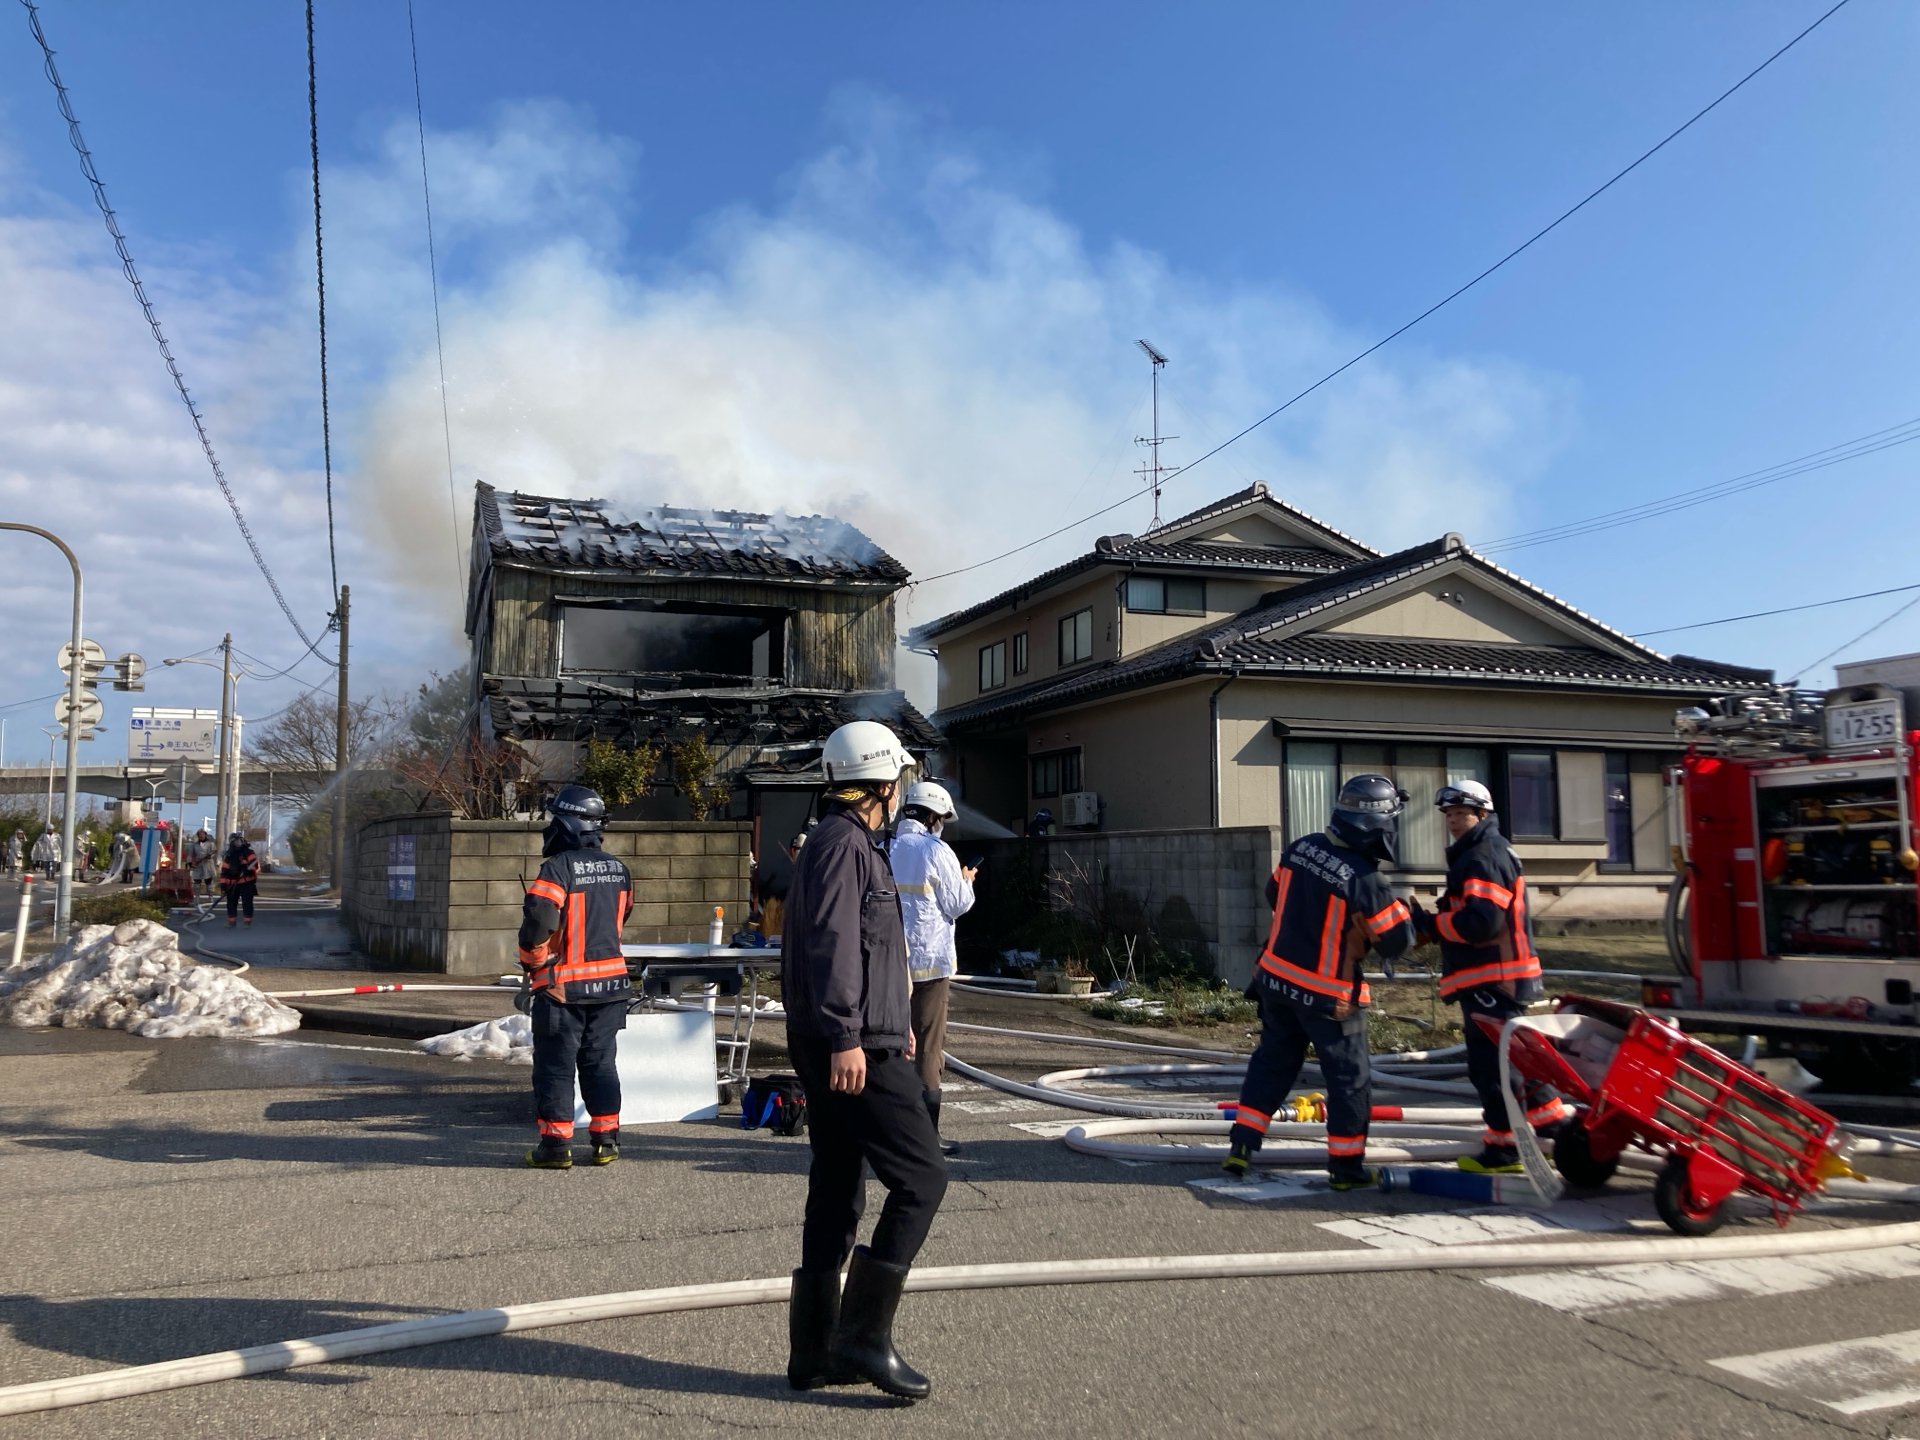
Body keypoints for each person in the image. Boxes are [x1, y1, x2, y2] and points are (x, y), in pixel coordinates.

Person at [783, 720, 946, 1401]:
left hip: (864, 1038)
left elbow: (874, 949)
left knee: (840, 1185)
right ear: (882, 781)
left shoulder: (850, 842)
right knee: (923, 1179)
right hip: (852, 1049)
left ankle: (816, 1353)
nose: (902, 785)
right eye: (899, 776)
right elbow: (832, 944)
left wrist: (896, 1023)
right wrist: (851, 1035)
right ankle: (861, 1339)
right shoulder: (842, 845)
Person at [1223, 774, 1420, 1190]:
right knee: (1349, 1079)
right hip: (1330, 997)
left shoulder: (1302, 848)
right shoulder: (1367, 880)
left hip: (1275, 982)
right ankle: (1346, 1170)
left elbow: (1274, 894)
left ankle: (1241, 1146)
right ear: (1377, 825)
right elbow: (1395, 940)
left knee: (1272, 1064)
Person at [1426, 780, 1571, 1174]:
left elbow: (1482, 923)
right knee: (1517, 1058)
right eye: (1450, 815)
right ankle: (1552, 1123)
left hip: (1493, 979)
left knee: (1492, 1067)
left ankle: (1505, 1150)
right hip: (1503, 978)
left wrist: (1434, 924)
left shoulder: (1481, 857)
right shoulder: (1483, 851)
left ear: (1482, 815)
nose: (1454, 822)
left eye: (1462, 814)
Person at [518, 784, 633, 1170]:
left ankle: (555, 1148)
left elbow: (539, 920)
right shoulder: (620, 869)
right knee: (601, 1064)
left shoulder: (557, 869)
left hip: (562, 990)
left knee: (556, 1068)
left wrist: (532, 960)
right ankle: (606, 1141)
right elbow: (623, 915)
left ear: (566, 822)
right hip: (611, 988)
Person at [890, 780, 975, 1158]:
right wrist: (967, 881)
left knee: (891, 1044)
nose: (942, 824)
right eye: (941, 818)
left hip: (890, 963)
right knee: (928, 1047)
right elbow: (956, 905)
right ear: (932, 816)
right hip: (930, 965)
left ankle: (889, 1130)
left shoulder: (885, 847)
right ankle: (926, 1139)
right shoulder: (936, 850)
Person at [219, 831, 260, 927]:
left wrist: (248, 870)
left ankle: (247, 922)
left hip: (246, 883)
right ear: (232, 842)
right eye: (236, 841)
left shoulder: (248, 852)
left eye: (239, 840)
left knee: (247, 902)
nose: (238, 843)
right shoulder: (229, 855)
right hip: (233, 884)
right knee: (231, 903)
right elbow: (224, 871)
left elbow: (255, 866)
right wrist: (223, 884)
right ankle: (231, 922)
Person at [189, 829, 219, 902]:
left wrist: (210, 856)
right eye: (200, 835)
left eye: (203, 834)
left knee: (208, 881)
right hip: (198, 865)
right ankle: (197, 897)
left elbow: (214, 852)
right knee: (197, 881)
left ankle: (210, 897)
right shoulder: (195, 845)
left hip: (208, 864)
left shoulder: (210, 844)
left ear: (205, 835)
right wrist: (190, 863)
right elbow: (190, 854)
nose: (201, 836)